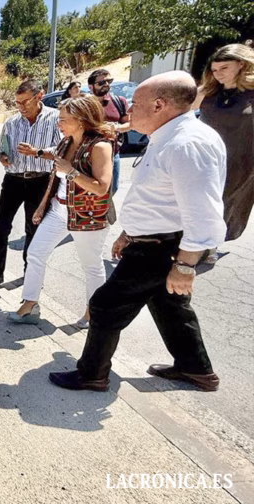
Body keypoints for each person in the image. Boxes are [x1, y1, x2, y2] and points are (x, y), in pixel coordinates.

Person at [49, 71, 226, 392]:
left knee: (104, 306)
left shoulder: (188, 144)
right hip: (152, 240)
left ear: (159, 105)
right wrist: (129, 232)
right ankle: (196, 368)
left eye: (136, 102)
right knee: (170, 306)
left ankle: (92, 374)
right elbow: (159, 200)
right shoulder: (168, 137)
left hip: (161, 247)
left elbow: (204, 214)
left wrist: (185, 266)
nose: (127, 108)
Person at [8, 95, 115, 328]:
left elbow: (102, 188)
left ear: (80, 120)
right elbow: (56, 166)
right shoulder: (66, 142)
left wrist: (72, 172)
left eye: (63, 119)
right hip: (59, 210)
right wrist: (43, 203)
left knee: (91, 266)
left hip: (88, 217)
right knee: (35, 252)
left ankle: (93, 312)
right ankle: (30, 303)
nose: (59, 123)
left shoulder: (100, 146)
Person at [0, 79, 62, 293]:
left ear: (39, 96)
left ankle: (31, 275)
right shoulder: (12, 122)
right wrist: (3, 156)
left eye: (25, 102)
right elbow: (2, 147)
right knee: (1, 228)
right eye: (18, 103)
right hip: (13, 180)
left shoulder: (55, 118)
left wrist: (38, 151)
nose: (22, 107)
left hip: (40, 180)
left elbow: (64, 150)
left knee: (33, 230)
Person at [197, 43, 254, 252]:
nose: (218, 74)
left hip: (241, 161)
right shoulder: (210, 92)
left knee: (223, 204)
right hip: (206, 158)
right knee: (200, 202)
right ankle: (201, 246)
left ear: (241, 64)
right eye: (214, 70)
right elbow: (183, 109)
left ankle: (206, 247)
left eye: (224, 68)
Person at [87, 69, 130, 195]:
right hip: (88, 154)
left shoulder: (119, 101)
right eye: (101, 82)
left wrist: (116, 128)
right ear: (91, 86)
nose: (106, 84)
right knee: (90, 189)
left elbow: (129, 124)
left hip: (113, 153)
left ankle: (106, 214)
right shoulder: (85, 104)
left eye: (109, 81)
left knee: (112, 188)